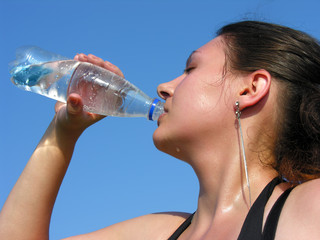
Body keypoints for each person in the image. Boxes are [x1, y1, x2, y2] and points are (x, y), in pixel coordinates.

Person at [1, 20, 320, 240]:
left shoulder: (309, 207)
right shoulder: (159, 232)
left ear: (251, 89)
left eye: (190, 68)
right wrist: (63, 130)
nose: (164, 87)